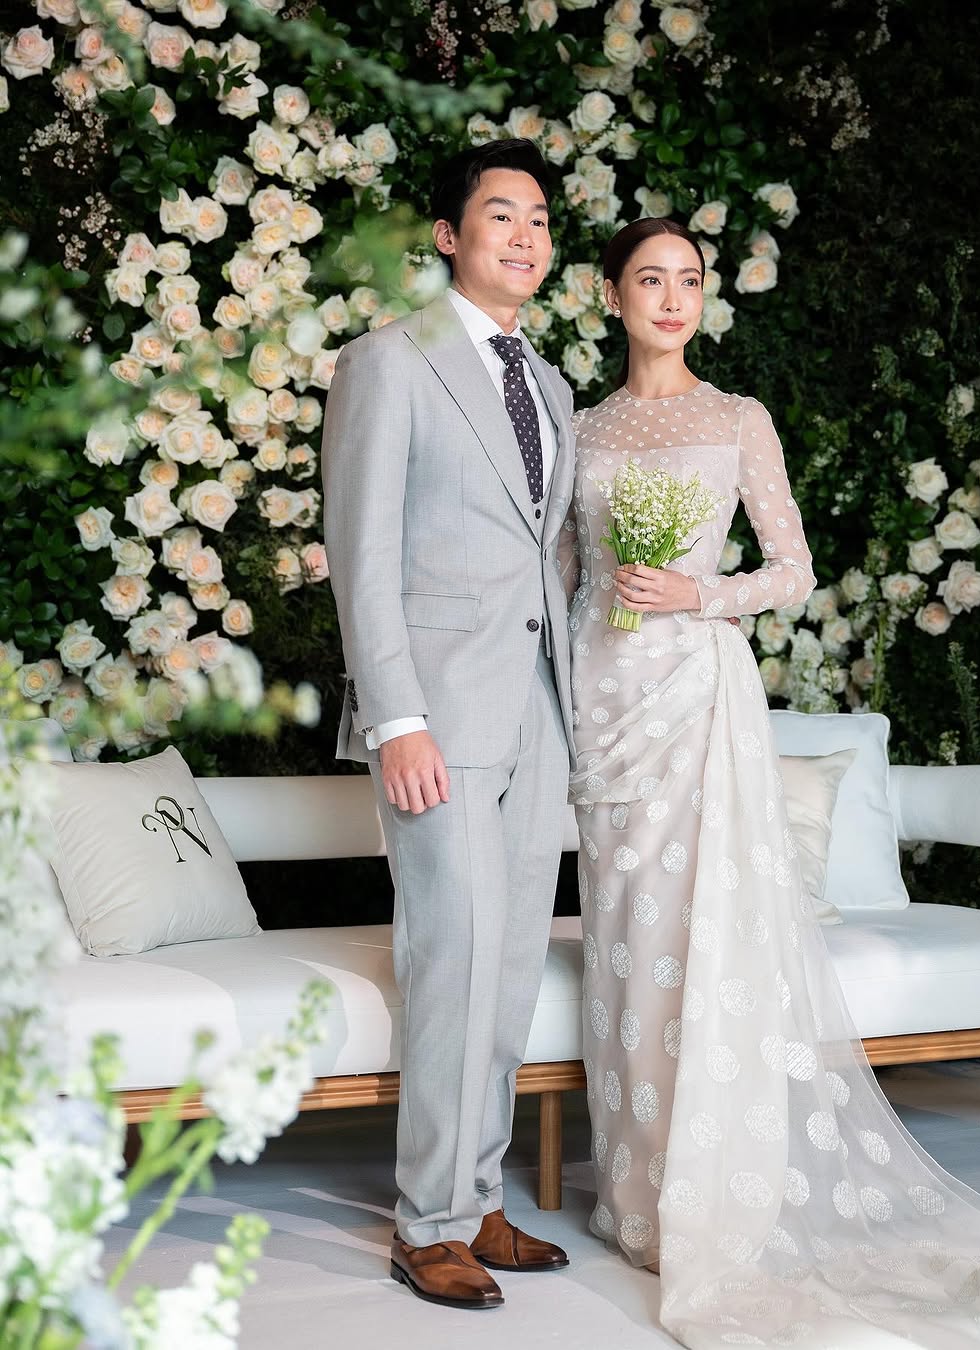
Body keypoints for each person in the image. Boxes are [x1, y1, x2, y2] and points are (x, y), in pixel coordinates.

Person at [563, 216, 980, 1347]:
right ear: (610, 296)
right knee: (626, 943)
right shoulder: (581, 427)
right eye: (649, 279)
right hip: (605, 708)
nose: (672, 298)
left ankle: (719, 1191)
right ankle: (640, 1196)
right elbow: (566, 585)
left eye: (689, 279)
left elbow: (792, 568)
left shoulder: (737, 418)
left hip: (697, 698)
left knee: (704, 940)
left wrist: (699, 596)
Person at [322, 138, 576, 1312]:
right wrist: (397, 719)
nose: (524, 236)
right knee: (454, 955)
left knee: (510, 966)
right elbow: (363, 557)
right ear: (448, 235)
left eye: (540, 219)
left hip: (536, 713)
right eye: (500, 214)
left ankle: (477, 1199)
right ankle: (425, 1222)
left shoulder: (551, 385)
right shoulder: (390, 362)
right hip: (437, 718)